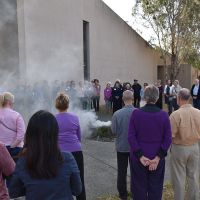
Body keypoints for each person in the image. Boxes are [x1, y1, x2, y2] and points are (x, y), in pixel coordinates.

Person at [9, 110, 82, 200]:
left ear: (30, 134)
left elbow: (13, 192)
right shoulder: (67, 158)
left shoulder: (23, 161)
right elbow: (77, 190)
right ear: (55, 133)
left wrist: (31, 188)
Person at [128, 85, 172, 200]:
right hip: (156, 157)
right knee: (156, 188)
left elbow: (131, 137)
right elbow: (168, 139)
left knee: (138, 187)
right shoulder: (164, 115)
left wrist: (140, 156)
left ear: (145, 98)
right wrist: (157, 158)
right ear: (157, 98)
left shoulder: (136, 113)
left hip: (139, 158)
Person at [170, 88, 200, 200]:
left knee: (179, 177)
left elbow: (171, 135)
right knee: (193, 176)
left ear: (178, 98)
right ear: (189, 99)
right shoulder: (198, 113)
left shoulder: (175, 115)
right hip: (195, 147)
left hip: (179, 148)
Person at [55, 93, 86, 200]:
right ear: (68, 104)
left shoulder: (53, 119)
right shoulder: (75, 118)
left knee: (61, 179)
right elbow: (79, 136)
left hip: (59, 152)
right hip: (76, 151)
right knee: (79, 178)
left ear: (57, 105)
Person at [111, 90, 135, 200]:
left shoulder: (117, 114)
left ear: (122, 99)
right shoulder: (138, 112)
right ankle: (135, 192)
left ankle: (123, 194)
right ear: (133, 99)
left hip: (121, 147)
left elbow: (114, 131)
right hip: (135, 148)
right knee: (135, 171)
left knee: (122, 171)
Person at [0, 92, 25, 162]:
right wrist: (12, 146)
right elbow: (21, 135)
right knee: (15, 171)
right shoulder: (17, 115)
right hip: (15, 149)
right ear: (9, 102)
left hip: (0, 148)